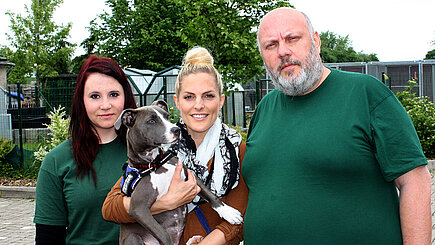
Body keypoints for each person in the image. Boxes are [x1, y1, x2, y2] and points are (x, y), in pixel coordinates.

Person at [242, 7, 432, 244]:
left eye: (292, 39)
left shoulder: (366, 94)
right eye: (271, 45)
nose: (283, 51)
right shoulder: (264, 109)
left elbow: (414, 181)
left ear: (316, 41)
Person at [102, 46, 248, 244]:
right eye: (188, 97)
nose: (199, 105)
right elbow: (110, 208)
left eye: (208, 96)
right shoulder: (161, 148)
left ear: (221, 101)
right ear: (177, 102)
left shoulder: (237, 150)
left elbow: (238, 218)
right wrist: (166, 202)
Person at [33, 55, 137, 244]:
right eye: (95, 96)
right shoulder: (57, 161)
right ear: (81, 100)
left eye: (114, 94)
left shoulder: (150, 155)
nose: (105, 105)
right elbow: (48, 238)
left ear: (126, 97)